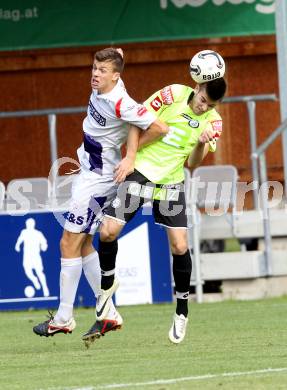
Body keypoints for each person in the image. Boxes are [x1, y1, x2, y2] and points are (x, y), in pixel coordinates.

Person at [33, 47, 168, 337]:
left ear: (115, 76)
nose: (95, 74)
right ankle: (108, 312)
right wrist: (114, 54)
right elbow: (116, 55)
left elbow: (159, 127)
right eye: (94, 68)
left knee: (67, 242)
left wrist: (130, 156)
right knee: (82, 246)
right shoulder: (110, 83)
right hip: (88, 174)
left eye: (102, 71)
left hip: (98, 179)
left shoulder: (120, 100)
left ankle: (64, 317)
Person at [82, 76, 227, 344]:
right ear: (197, 88)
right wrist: (130, 158)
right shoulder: (172, 93)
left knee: (180, 246)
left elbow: (193, 163)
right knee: (107, 233)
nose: (203, 107)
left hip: (171, 181)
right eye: (203, 100)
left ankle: (182, 311)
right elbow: (138, 122)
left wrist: (200, 142)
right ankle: (106, 290)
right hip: (141, 173)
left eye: (210, 105)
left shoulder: (214, 122)